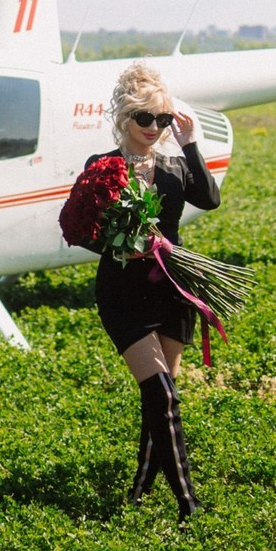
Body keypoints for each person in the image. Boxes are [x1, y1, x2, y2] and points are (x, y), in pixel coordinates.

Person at [83, 61, 221, 522]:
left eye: (162, 118)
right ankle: (189, 505)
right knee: (162, 394)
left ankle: (140, 488)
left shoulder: (175, 164)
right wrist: (123, 244)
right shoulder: (103, 167)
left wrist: (191, 142)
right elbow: (81, 229)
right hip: (123, 293)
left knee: (159, 398)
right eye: (146, 117)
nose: (154, 127)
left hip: (172, 290)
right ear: (125, 117)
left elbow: (210, 199)